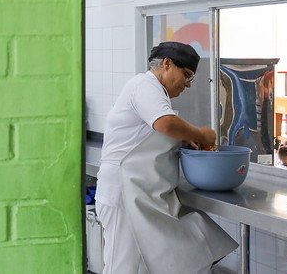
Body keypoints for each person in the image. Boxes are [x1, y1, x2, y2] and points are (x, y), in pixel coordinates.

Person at [95, 41, 237, 274]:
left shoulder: (153, 92)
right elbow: (165, 123)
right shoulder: (144, 85)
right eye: (187, 75)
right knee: (122, 268)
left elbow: (145, 136)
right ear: (167, 64)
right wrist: (200, 134)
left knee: (140, 266)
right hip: (123, 192)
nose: (188, 85)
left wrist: (184, 140)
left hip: (138, 192)